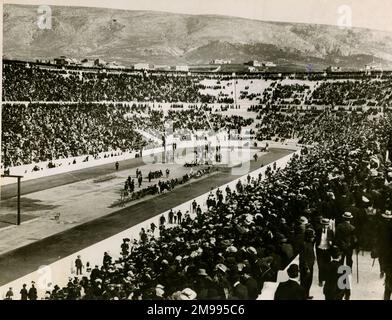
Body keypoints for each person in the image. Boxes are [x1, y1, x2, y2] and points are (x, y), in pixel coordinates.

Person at [315, 217, 334, 286]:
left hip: (327, 250)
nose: (325, 226)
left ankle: (326, 279)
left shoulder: (330, 231)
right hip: (319, 249)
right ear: (322, 224)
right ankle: (320, 281)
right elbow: (315, 239)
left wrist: (331, 243)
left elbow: (333, 240)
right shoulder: (318, 230)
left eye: (327, 224)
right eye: (324, 224)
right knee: (320, 266)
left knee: (327, 266)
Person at [299, 229, 316, 299]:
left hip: (310, 265)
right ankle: (303, 297)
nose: (313, 238)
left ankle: (306, 295)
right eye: (312, 237)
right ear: (308, 237)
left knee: (309, 282)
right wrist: (306, 268)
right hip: (306, 267)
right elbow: (303, 258)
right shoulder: (304, 245)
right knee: (304, 283)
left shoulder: (309, 243)